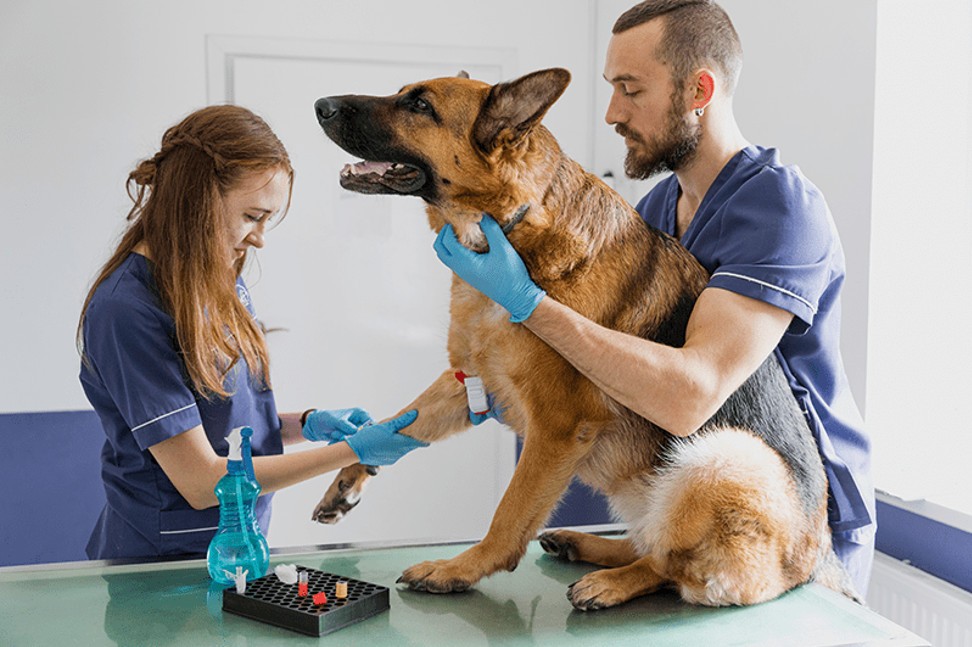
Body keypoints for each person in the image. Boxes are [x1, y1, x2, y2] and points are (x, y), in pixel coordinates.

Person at [433, 0, 875, 595]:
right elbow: (593, 372)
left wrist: (529, 305)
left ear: (700, 89)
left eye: (630, 89)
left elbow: (690, 396)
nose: (613, 113)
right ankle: (642, 553)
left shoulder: (776, 207)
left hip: (773, 517)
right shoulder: (657, 209)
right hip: (678, 504)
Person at [77, 105, 425, 561]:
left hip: (237, 545)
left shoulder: (217, 275)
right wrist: (351, 451)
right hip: (162, 564)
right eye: (252, 216)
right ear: (195, 201)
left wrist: (309, 424)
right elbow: (201, 481)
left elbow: (228, 425)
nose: (260, 237)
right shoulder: (128, 309)